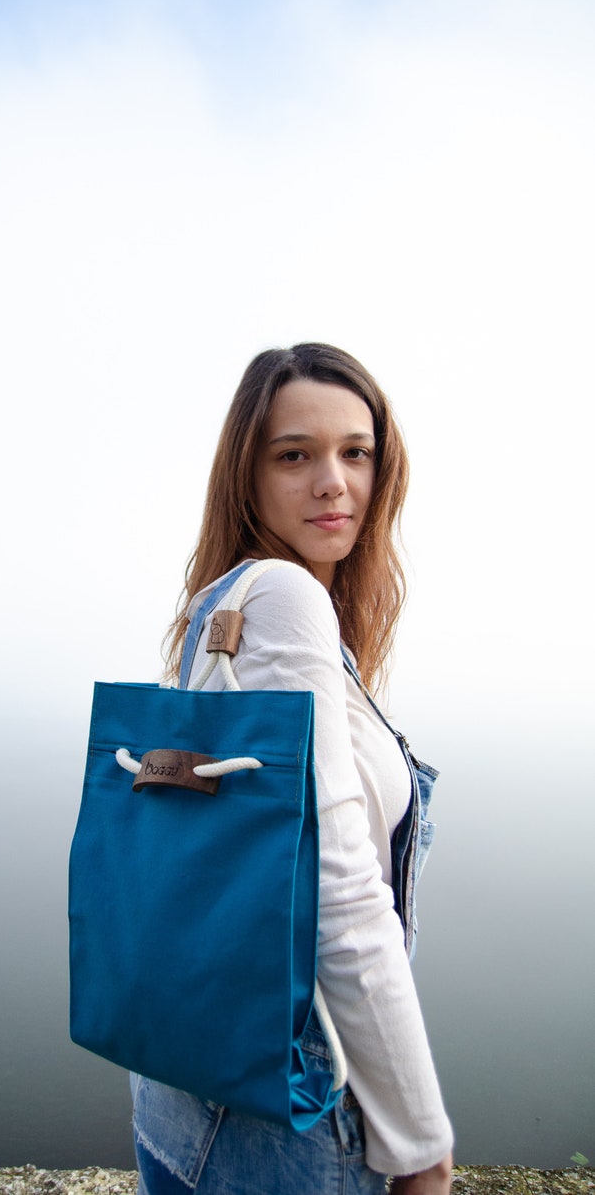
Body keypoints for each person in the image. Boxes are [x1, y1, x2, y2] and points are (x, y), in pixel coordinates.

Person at [130, 343, 454, 1195]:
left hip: (189, 1104)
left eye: (356, 452)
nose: (333, 482)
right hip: (282, 1133)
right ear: (249, 474)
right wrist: (420, 1142)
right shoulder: (283, 599)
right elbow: (337, 895)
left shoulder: (221, 606)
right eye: (294, 455)